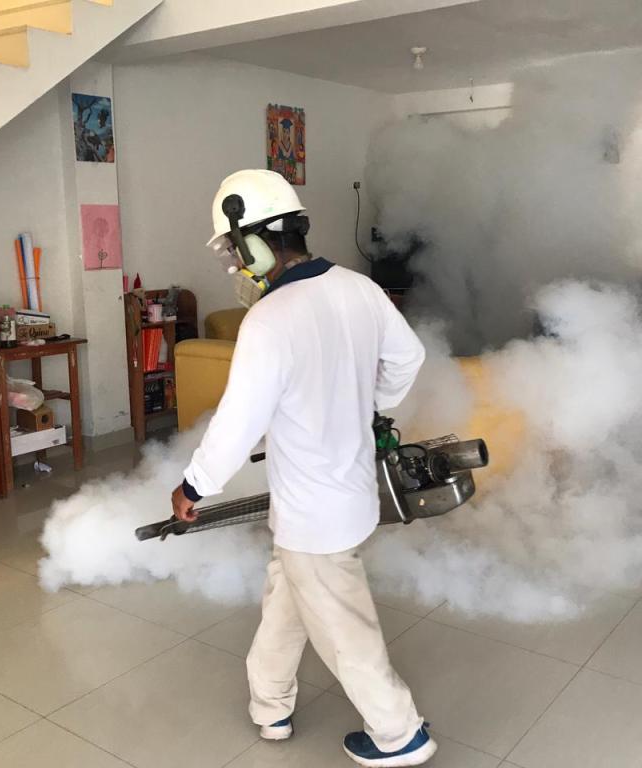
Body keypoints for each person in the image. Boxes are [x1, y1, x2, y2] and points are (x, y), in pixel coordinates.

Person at [170, 169, 434, 766]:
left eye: (235, 251)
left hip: (316, 514)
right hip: (341, 497)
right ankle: (270, 706)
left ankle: (400, 736)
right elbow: (407, 357)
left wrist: (193, 486)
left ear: (256, 242)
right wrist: (371, 402)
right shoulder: (360, 288)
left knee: (344, 629)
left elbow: (238, 421)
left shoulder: (270, 318)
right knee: (286, 599)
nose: (236, 266)